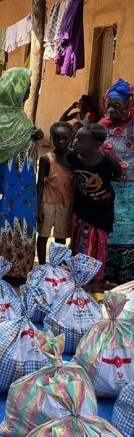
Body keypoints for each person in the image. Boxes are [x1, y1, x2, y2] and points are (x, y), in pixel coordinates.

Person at [0, 67, 43, 282]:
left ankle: (17, 270)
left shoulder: (19, 114)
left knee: (22, 222)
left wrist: (33, 135)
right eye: (27, 88)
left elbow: (19, 139)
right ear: (15, 87)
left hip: (23, 184)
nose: (28, 93)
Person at [68, 123, 123, 293]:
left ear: (95, 144)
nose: (75, 141)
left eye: (80, 139)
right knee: (78, 243)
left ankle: (96, 283)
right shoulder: (73, 158)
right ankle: (78, 280)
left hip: (101, 210)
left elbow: (118, 175)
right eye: (76, 137)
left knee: (98, 245)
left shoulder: (108, 162)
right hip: (81, 207)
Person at [99, 79, 133, 285]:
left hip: (130, 186)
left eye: (117, 106)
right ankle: (106, 272)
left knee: (128, 229)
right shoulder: (102, 125)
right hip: (108, 185)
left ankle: (126, 274)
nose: (111, 110)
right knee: (109, 226)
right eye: (109, 105)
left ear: (128, 104)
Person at [36, 121, 75, 265]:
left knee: (61, 238)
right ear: (51, 138)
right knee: (43, 236)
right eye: (57, 138)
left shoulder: (74, 158)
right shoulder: (46, 158)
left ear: (71, 138)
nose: (60, 141)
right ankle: (41, 266)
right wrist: (38, 206)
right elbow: (40, 183)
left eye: (65, 138)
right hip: (47, 202)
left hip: (66, 204)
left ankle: (56, 268)